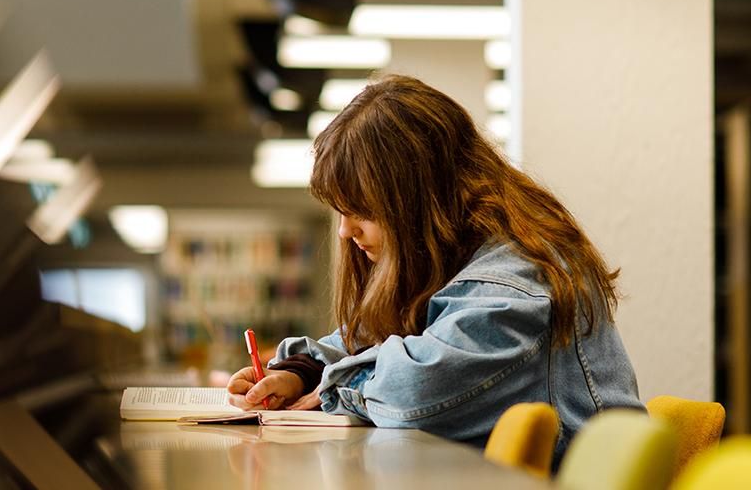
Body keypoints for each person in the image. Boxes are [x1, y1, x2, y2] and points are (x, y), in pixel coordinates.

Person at [227, 74, 643, 461]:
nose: (344, 231)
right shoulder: (458, 259)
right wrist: (303, 371)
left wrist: (332, 382)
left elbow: (415, 388)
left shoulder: (515, 280)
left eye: (362, 211)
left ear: (419, 200)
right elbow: (372, 343)